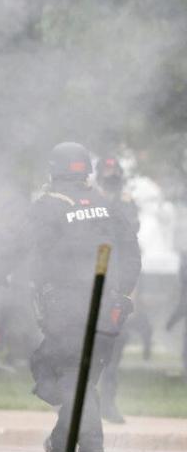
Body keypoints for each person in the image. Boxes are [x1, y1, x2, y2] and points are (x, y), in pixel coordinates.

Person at [0, 142, 141, 452]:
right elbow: (132, 251)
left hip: (67, 307)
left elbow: (15, 249)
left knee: (59, 372)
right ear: (87, 172)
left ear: (53, 171)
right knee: (80, 378)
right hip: (108, 307)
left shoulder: (47, 207)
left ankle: (91, 446)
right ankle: (60, 447)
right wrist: (122, 293)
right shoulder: (107, 206)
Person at [94, 155, 149, 423]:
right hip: (92, 274)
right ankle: (81, 406)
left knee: (116, 343)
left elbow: (131, 240)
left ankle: (107, 403)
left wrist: (130, 291)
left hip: (117, 277)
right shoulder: (90, 199)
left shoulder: (127, 203)